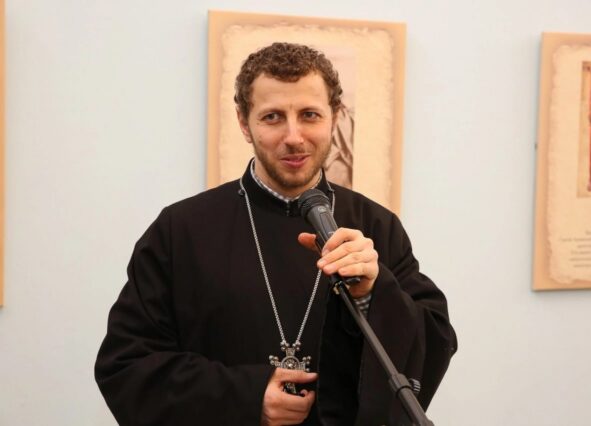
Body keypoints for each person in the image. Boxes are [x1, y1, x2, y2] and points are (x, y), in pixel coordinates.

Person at [95, 42, 456, 425]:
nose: (294, 136)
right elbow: (127, 365)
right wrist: (246, 398)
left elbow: (433, 341)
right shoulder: (179, 230)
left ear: (334, 117)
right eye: (272, 117)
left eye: (309, 115)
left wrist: (372, 292)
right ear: (243, 123)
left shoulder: (376, 226)